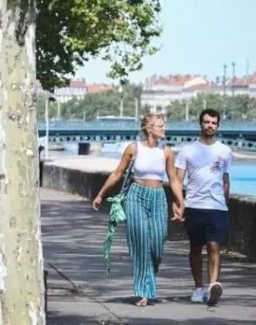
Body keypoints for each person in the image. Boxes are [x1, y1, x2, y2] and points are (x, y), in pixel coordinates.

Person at [92, 113, 185, 306]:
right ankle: (144, 291)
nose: (164, 129)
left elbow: (173, 179)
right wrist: (101, 194)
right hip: (136, 196)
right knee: (140, 242)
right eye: (160, 126)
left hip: (158, 197)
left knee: (158, 243)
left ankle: (148, 282)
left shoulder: (166, 151)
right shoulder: (133, 149)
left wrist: (180, 201)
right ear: (149, 128)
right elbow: (118, 173)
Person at [174, 108, 232, 306]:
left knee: (214, 245)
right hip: (194, 205)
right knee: (196, 248)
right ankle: (199, 287)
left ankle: (213, 285)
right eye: (207, 122)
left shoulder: (225, 151)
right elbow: (178, 179)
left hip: (216, 207)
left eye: (214, 123)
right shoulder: (187, 150)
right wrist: (179, 203)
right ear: (200, 124)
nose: (210, 126)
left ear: (218, 126)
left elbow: (225, 179)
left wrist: (225, 200)